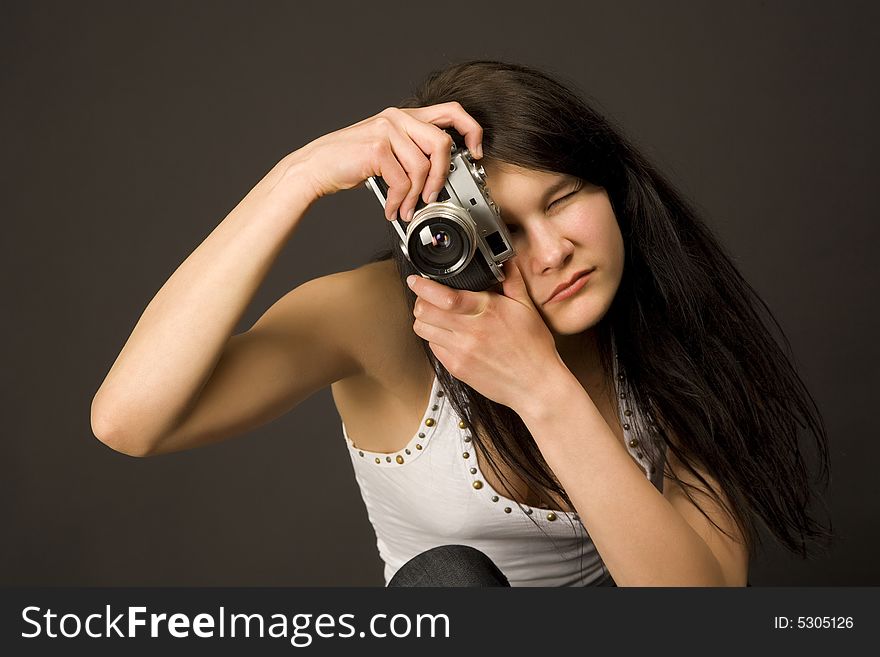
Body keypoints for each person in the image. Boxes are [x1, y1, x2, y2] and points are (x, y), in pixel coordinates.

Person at [90, 60, 832, 587]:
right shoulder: (384, 314)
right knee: (451, 579)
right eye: (504, 227)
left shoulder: (670, 327)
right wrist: (299, 174)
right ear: (451, 238)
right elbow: (128, 420)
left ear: (614, 188)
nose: (554, 251)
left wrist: (541, 386)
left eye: (565, 197)